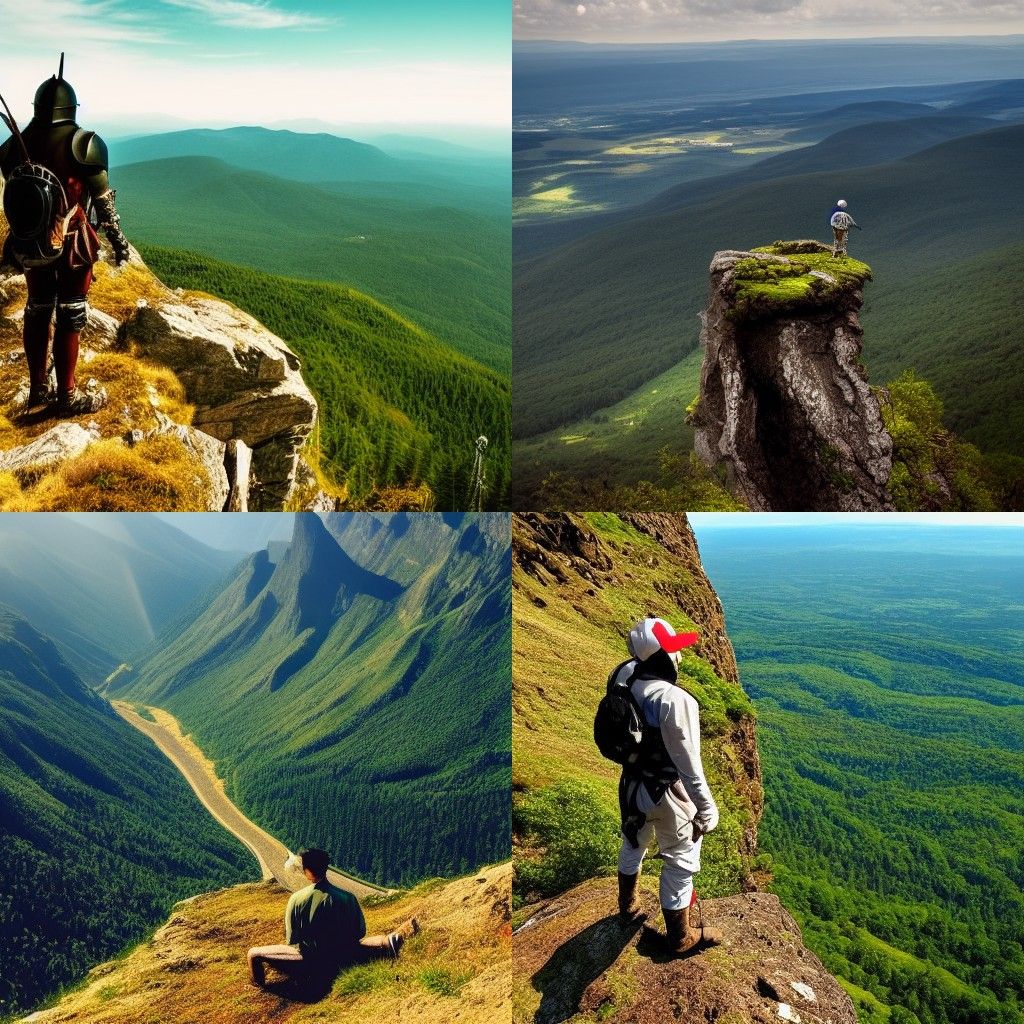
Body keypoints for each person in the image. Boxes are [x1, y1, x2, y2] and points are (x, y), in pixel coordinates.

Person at [0, 54, 129, 416]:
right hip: (74, 244)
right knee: (71, 312)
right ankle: (66, 396)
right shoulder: (83, 143)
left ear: (37, 107)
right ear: (72, 108)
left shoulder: (13, 146)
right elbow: (102, 202)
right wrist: (118, 243)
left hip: (29, 244)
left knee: (38, 309)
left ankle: (38, 389)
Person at [614, 617, 724, 955]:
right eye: (675, 651)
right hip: (668, 794)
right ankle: (680, 938)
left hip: (631, 785)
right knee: (680, 862)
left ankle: (628, 906)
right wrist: (706, 809)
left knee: (634, 840)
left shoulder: (624, 676)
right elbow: (688, 764)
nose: (680, 658)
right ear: (663, 656)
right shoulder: (675, 701)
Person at [247, 848, 419, 988]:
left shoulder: (296, 899)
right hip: (345, 956)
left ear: (307, 872)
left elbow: (292, 939)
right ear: (326, 867)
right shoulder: (348, 897)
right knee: (366, 943)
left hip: (310, 962)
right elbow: (360, 932)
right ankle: (389, 941)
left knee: (253, 954)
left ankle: (258, 987)